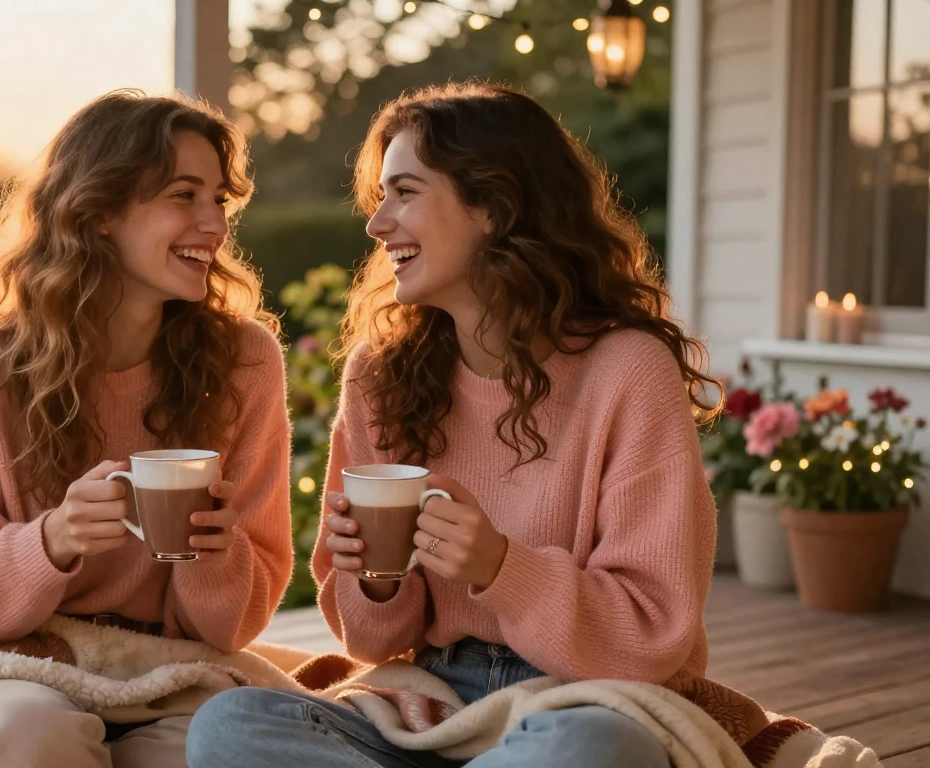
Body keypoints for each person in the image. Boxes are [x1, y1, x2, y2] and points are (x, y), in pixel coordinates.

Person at [187, 81, 720, 768]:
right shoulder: (382, 376)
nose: (378, 226)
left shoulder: (627, 371)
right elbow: (370, 640)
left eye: (405, 192)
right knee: (230, 724)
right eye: (380, 199)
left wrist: (500, 565)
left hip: (585, 698)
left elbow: (651, 636)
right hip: (434, 697)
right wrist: (376, 581)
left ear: (495, 207)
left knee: (595, 748)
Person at [0, 89, 293, 768]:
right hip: (9, 667)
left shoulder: (244, 363)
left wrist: (213, 552)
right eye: (184, 195)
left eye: (219, 202)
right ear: (102, 211)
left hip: (169, 671)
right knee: (34, 734)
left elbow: (233, 626)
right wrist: (53, 540)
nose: (213, 225)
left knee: (237, 745)